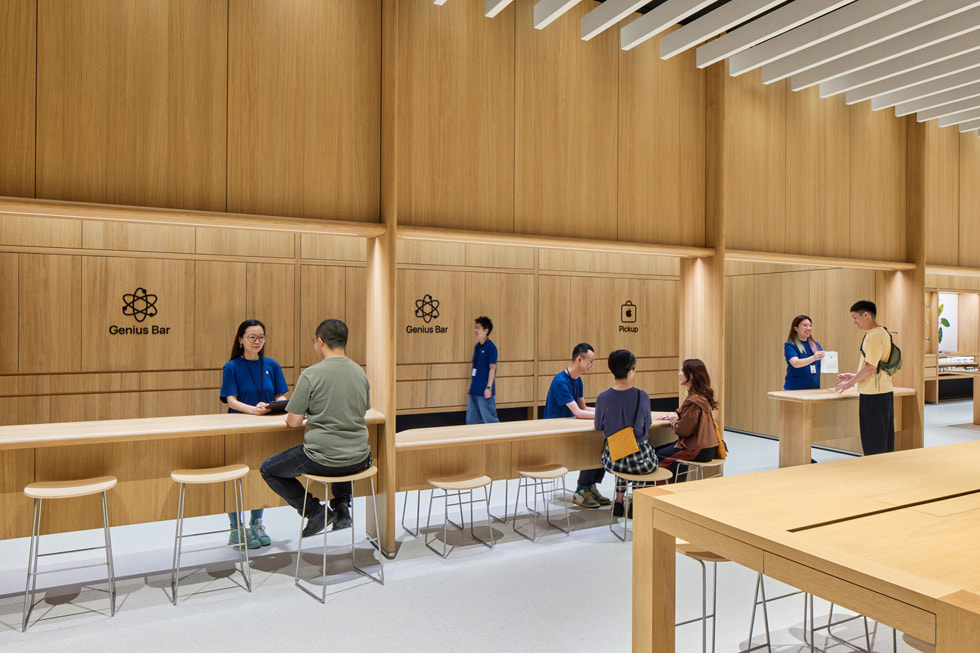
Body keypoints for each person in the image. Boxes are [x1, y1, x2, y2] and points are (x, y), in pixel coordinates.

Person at [260, 319, 371, 537]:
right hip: (360, 458)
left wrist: (303, 414)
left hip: (323, 459)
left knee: (268, 469)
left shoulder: (311, 374)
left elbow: (293, 422)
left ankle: (315, 511)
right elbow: (361, 410)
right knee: (343, 451)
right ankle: (342, 507)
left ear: (320, 341)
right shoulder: (360, 373)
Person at [220, 319, 288, 548]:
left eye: (261, 337)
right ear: (241, 340)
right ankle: (236, 529)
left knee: (261, 472)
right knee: (237, 476)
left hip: (264, 428)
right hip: (238, 427)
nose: (257, 341)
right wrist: (253, 410)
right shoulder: (231, 367)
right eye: (251, 337)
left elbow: (280, 395)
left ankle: (256, 523)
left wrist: (277, 405)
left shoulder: (272, 365)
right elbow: (231, 400)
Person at [543, 343, 610, 509]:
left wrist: (606, 411)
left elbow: (583, 407)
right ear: (579, 359)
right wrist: (605, 415)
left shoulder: (578, 380)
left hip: (570, 426)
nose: (592, 365)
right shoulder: (560, 381)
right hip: (555, 430)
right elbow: (578, 412)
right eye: (590, 361)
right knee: (592, 447)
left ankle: (590, 486)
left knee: (601, 442)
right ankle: (582, 489)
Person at [595, 350, 657, 518]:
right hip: (641, 462)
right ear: (630, 371)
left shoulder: (602, 398)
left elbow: (598, 426)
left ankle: (619, 502)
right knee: (638, 455)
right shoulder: (642, 396)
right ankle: (635, 503)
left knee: (623, 454)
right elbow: (647, 425)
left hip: (614, 461)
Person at [835, 300, 895, 455]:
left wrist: (850, 383)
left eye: (855, 317)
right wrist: (855, 376)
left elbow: (870, 367)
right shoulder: (883, 332)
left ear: (866, 315)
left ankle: (874, 468)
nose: (854, 322)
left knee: (873, 439)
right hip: (883, 391)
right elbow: (876, 367)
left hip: (873, 394)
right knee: (884, 437)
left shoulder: (873, 336)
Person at [655, 359, 719, 480]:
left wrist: (673, 419)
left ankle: (666, 489)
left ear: (691, 375)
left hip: (697, 449)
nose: (679, 374)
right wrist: (676, 415)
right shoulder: (700, 396)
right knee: (664, 451)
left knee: (659, 454)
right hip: (707, 448)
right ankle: (677, 486)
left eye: (682, 371)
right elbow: (690, 418)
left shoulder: (693, 400)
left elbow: (682, 430)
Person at [466, 316, 499, 424]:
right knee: (472, 420)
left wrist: (489, 387)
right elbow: (474, 368)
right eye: (475, 328)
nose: (475, 330)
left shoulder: (491, 347)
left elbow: (492, 368)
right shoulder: (477, 347)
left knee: (489, 419)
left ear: (486, 331)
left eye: (478, 328)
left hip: (484, 390)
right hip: (474, 390)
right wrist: (470, 384)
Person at [784, 314, 825, 390]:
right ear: (796, 328)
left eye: (810, 326)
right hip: (795, 389)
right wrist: (814, 358)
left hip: (814, 389)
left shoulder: (816, 345)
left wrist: (830, 367)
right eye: (805, 325)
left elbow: (823, 362)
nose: (808, 328)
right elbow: (795, 363)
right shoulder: (790, 345)